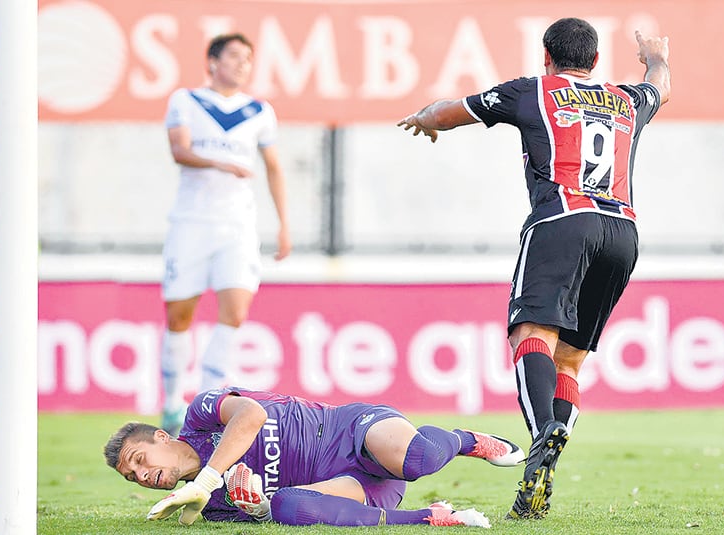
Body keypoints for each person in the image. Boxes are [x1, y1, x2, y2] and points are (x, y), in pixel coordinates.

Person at [397, 18, 670, 520]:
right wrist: (655, 56)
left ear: (547, 55)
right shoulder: (627, 99)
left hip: (562, 221)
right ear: (594, 61)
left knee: (531, 332)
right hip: (623, 232)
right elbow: (660, 87)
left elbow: (451, 112)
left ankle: (545, 430)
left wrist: (424, 119)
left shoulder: (532, 91)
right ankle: (551, 449)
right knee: (570, 361)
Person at [104, 387, 526, 527]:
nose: (141, 475)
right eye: (132, 477)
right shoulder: (207, 506)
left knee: (418, 461)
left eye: (139, 459)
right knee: (288, 507)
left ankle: (465, 439)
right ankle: (429, 517)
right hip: (350, 487)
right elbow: (276, 509)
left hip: (349, 431)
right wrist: (259, 507)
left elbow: (251, 414)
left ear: (161, 436)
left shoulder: (201, 415)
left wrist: (208, 479)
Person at [159, 33, 291, 436]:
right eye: (234, 56)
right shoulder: (186, 100)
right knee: (180, 317)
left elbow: (273, 167)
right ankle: (169, 403)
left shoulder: (259, 111)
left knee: (235, 311)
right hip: (191, 224)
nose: (242, 64)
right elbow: (179, 151)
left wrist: (284, 223)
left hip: (238, 227)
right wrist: (222, 163)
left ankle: (205, 400)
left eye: (248, 59)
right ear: (212, 62)